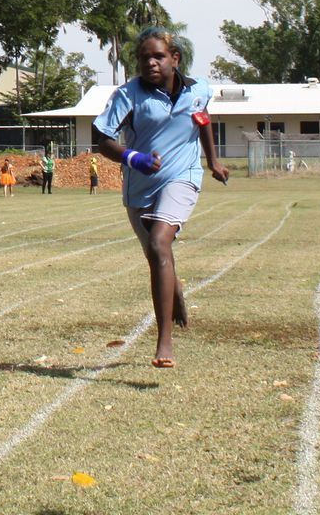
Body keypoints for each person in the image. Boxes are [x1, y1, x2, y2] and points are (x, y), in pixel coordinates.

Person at [92, 27, 227, 369]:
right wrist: (132, 158)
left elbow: (203, 118)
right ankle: (175, 291)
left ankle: (164, 339)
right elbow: (100, 136)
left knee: (159, 243)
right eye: (143, 58)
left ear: (175, 59)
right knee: (156, 253)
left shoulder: (199, 90)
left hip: (183, 177)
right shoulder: (129, 95)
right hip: (139, 188)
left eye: (158, 56)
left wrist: (212, 161)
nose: (150, 63)